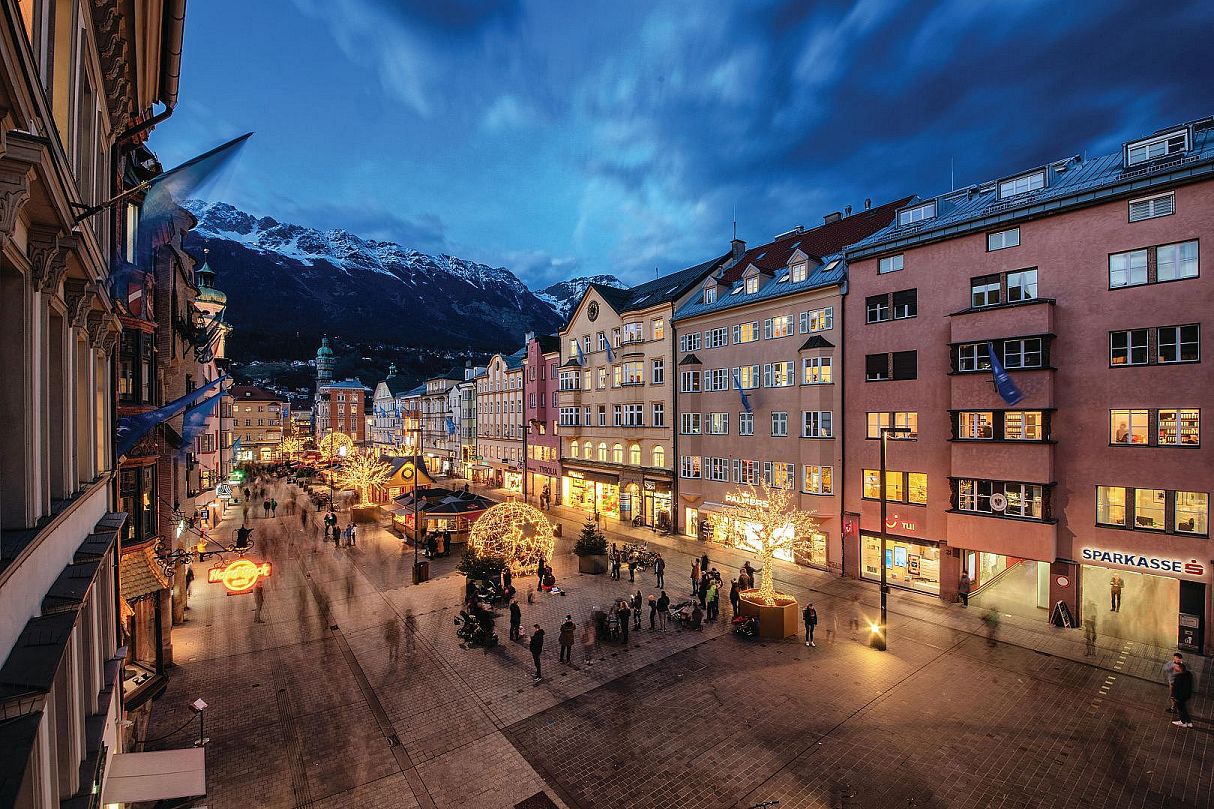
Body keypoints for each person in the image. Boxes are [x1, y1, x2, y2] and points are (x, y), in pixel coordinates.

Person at [1171, 661, 1194, 728]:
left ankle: (1183, 722)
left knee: (1181, 709)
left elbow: (1176, 688)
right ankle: (1189, 722)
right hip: (1186, 695)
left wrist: (1174, 696)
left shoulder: (1179, 677)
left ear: (1180, 669)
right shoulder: (1188, 674)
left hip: (1180, 696)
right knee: (1184, 708)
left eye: (1176, 667)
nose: (1174, 668)